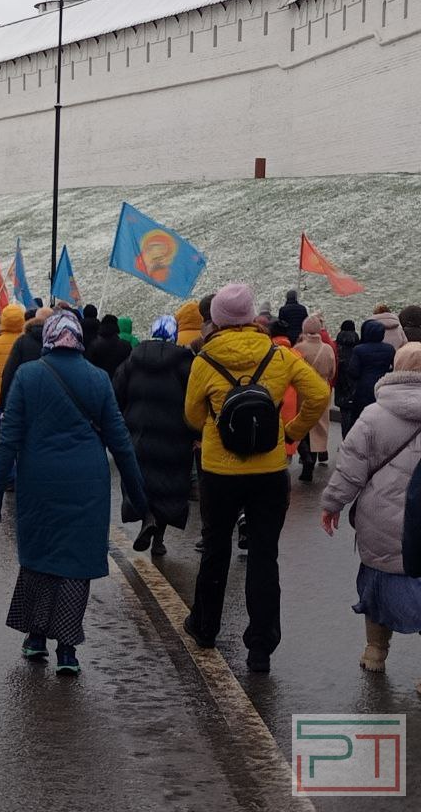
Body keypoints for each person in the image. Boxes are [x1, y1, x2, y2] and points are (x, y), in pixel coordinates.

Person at [0, 311, 146, 675]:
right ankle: (69, 650)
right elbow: (119, 440)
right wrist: (137, 491)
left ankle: (36, 638)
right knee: (76, 561)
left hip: (38, 479)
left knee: (41, 556)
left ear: (49, 339)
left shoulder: (28, 375)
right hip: (87, 481)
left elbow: (9, 435)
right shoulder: (98, 378)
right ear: (78, 339)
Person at [183, 283, 330, 673]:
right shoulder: (279, 355)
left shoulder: (205, 359)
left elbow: (192, 416)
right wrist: (291, 434)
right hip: (268, 471)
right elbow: (317, 395)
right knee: (264, 556)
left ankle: (205, 627)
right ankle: (260, 647)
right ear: (251, 316)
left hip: (219, 471)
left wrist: (214, 427)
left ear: (216, 319)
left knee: (216, 550)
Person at [321, 342, 421, 679]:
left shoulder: (374, 415)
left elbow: (351, 469)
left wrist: (332, 504)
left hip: (380, 516)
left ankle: (375, 651)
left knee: (378, 581)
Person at [113, 315, 195, 557]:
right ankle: (159, 537)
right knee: (168, 485)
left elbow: (116, 393)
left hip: (138, 432)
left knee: (140, 479)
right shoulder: (185, 362)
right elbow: (194, 400)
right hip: (175, 436)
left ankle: (146, 517)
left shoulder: (132, 360)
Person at [294, 316, 337, 481]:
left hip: (303, 390)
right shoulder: (327, 348)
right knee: (319, 425)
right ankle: (319, 452)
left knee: (303, 423)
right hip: (323, 388)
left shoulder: (299, 348)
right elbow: (332, 372)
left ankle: (306, 459)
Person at [345, 319, 396, 434]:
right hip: (383, 387)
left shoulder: (359, 349)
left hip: (364, 388)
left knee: (359, 418)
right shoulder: (389, 349)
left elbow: (353, 371)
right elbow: (395, 367)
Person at [334, 319, 361, 438]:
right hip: (356, 386)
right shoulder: (359, 347)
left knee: (344, 414)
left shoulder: (336, 347)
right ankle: (354, 440)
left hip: (341, 385)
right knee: (356, 414)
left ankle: (345, 440)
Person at [85, 314, 132, 379]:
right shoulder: (126, 346)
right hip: (118, 383)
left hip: (98, 381)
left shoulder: (94, 345)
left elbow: (88, 366)